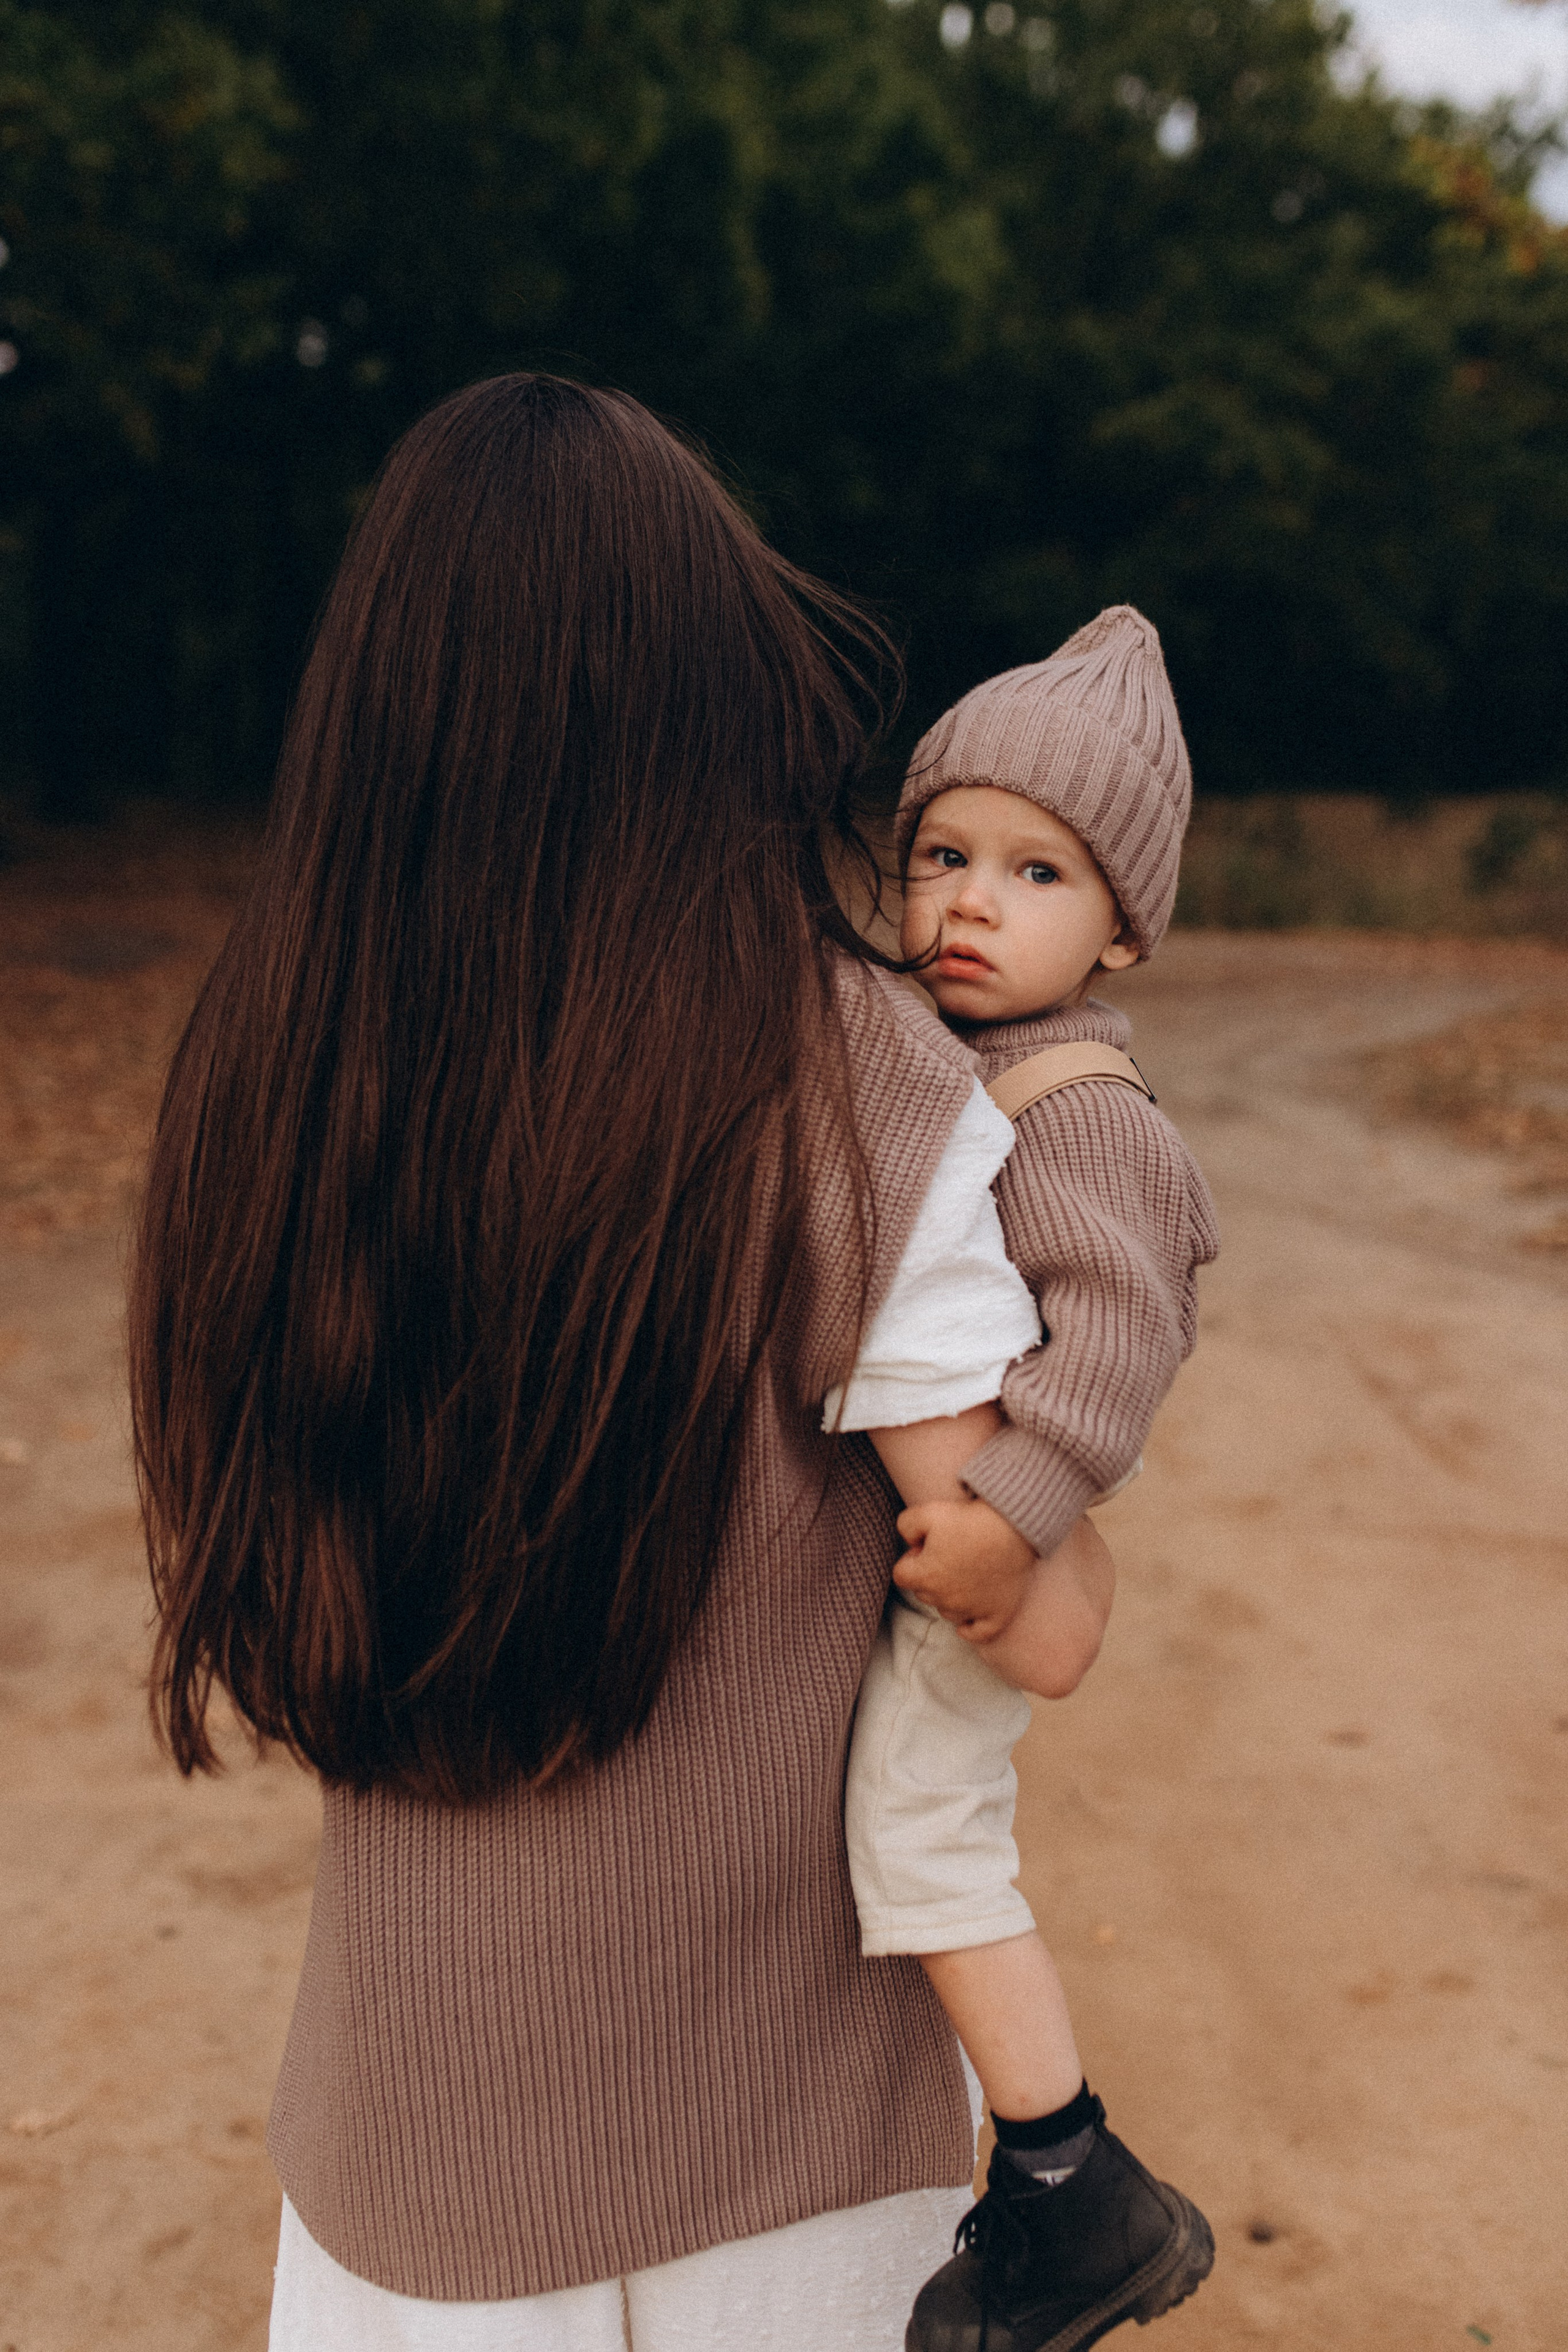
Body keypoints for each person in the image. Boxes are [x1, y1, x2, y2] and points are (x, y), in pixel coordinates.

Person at [126, 372, 1116, 2351]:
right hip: (783, 2162)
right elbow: (1050, 1627)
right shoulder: (857, 1078)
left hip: (404, 2162)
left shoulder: (274, 1075)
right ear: (711, 693)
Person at [833, 608, 1221, 2351]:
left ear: (1123, 929)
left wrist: (1017, 1518)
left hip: (990, 1537)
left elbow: (1126, 1333)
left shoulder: (1080, 1106)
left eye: (1036, 872)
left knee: (921, 1833)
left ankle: (1072, 2183)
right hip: (966, 1520)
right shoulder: (948, 1052)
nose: (970, 904)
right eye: (945, 854)